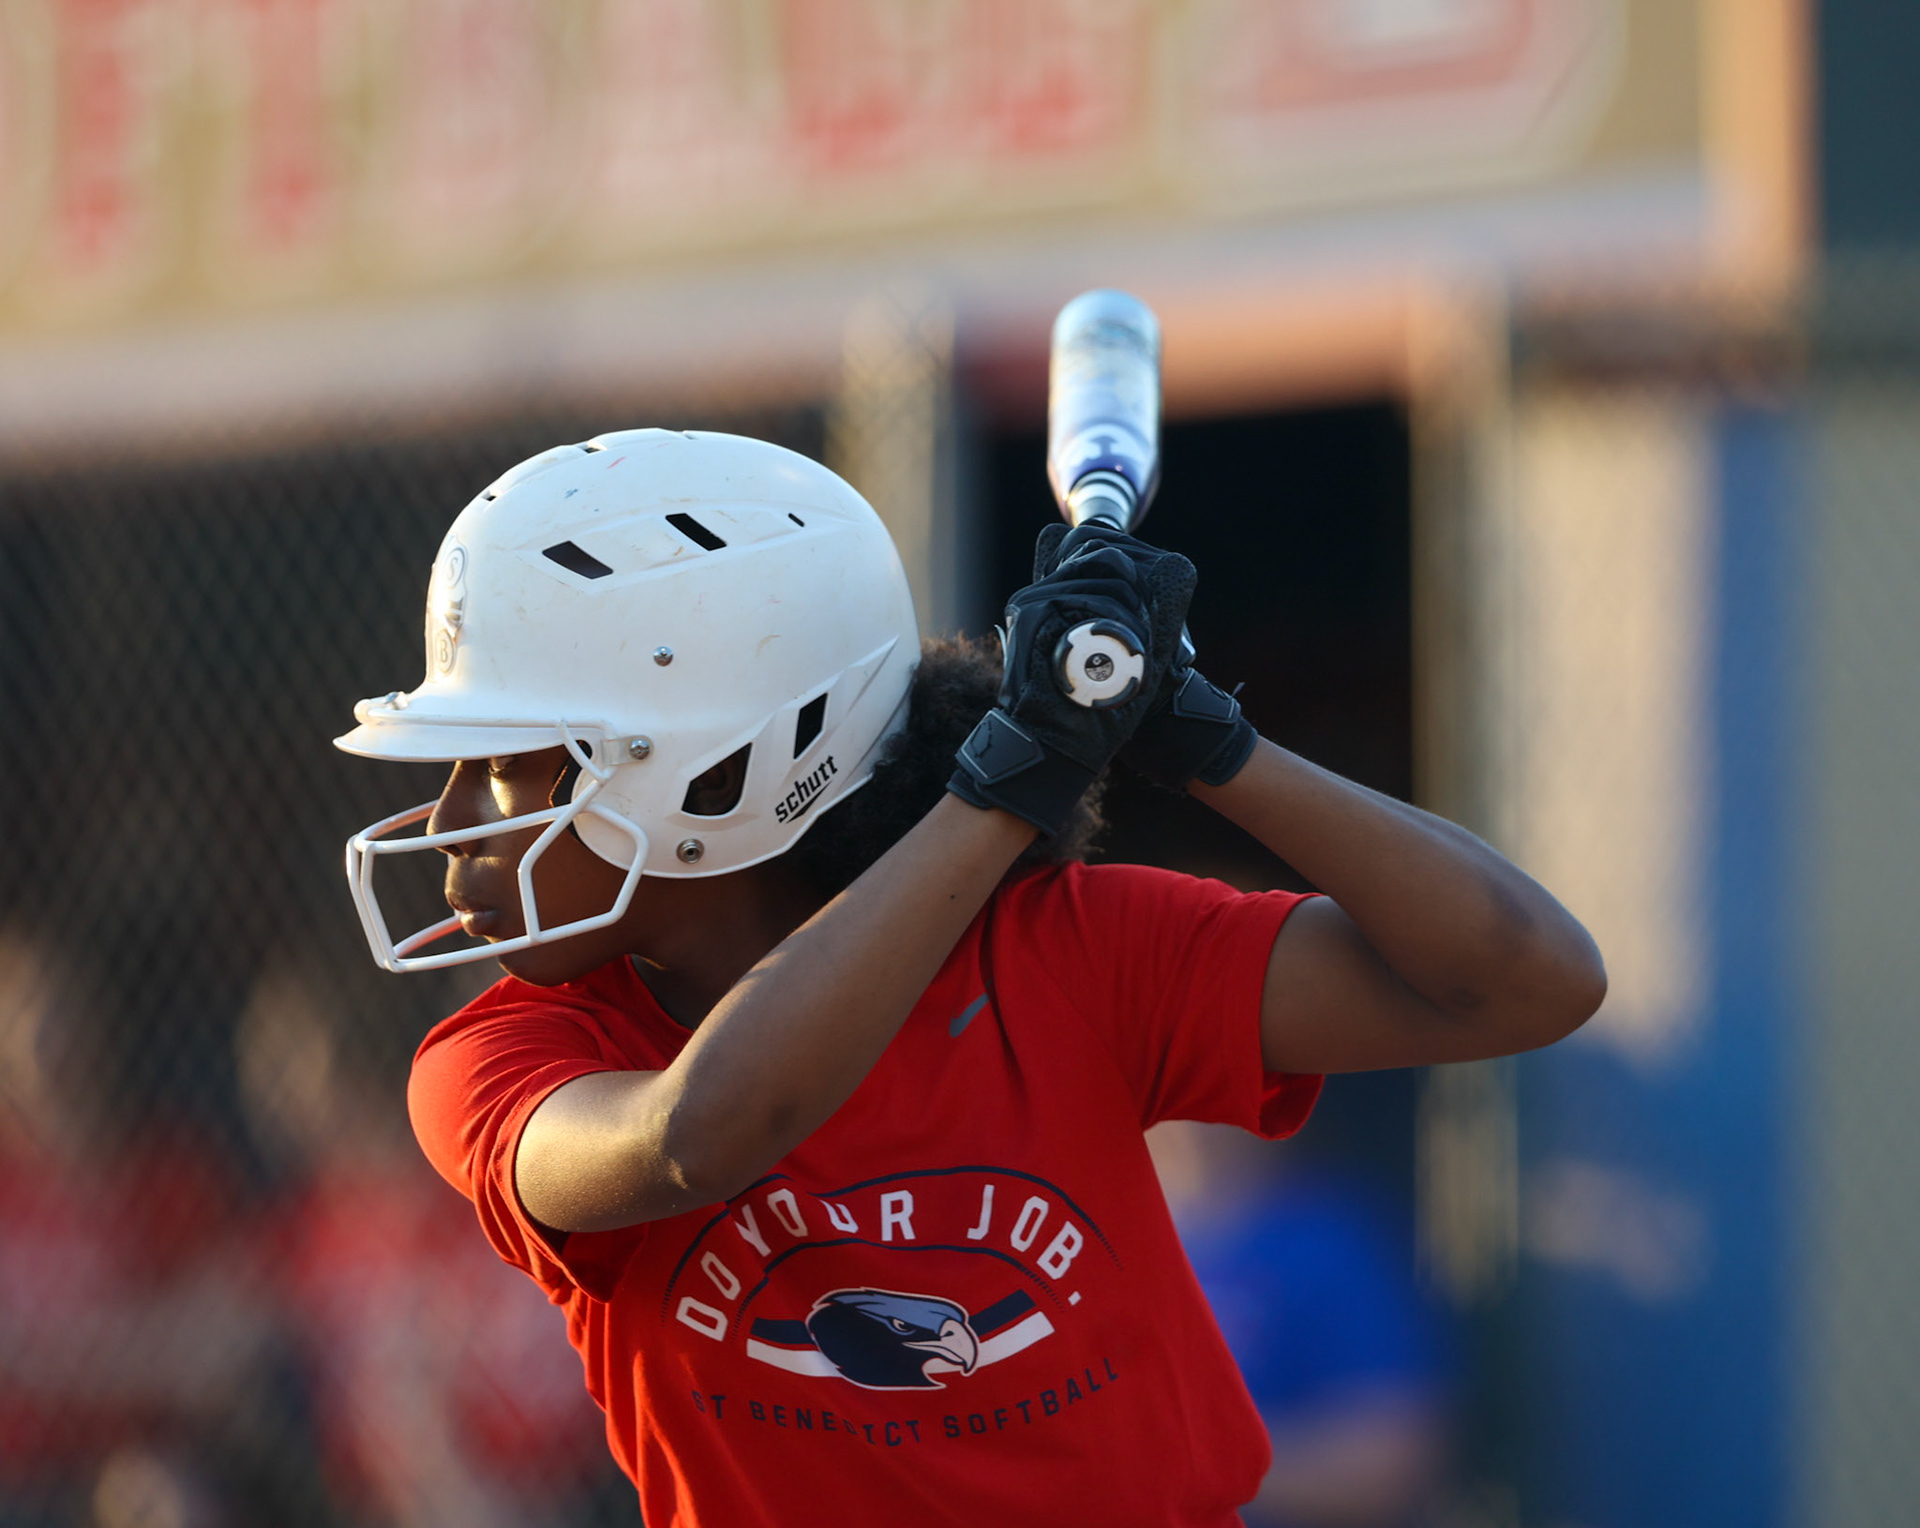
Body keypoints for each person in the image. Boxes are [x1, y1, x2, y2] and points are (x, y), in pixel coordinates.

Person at [334, 428, 1604, 1528]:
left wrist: (1209, 738)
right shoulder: (500, 1057)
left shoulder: (1066, 951)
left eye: (504, 762)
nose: (456, 818)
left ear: (710, 773)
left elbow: (1527, 980)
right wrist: (1006, 789)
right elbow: (701, 1133)